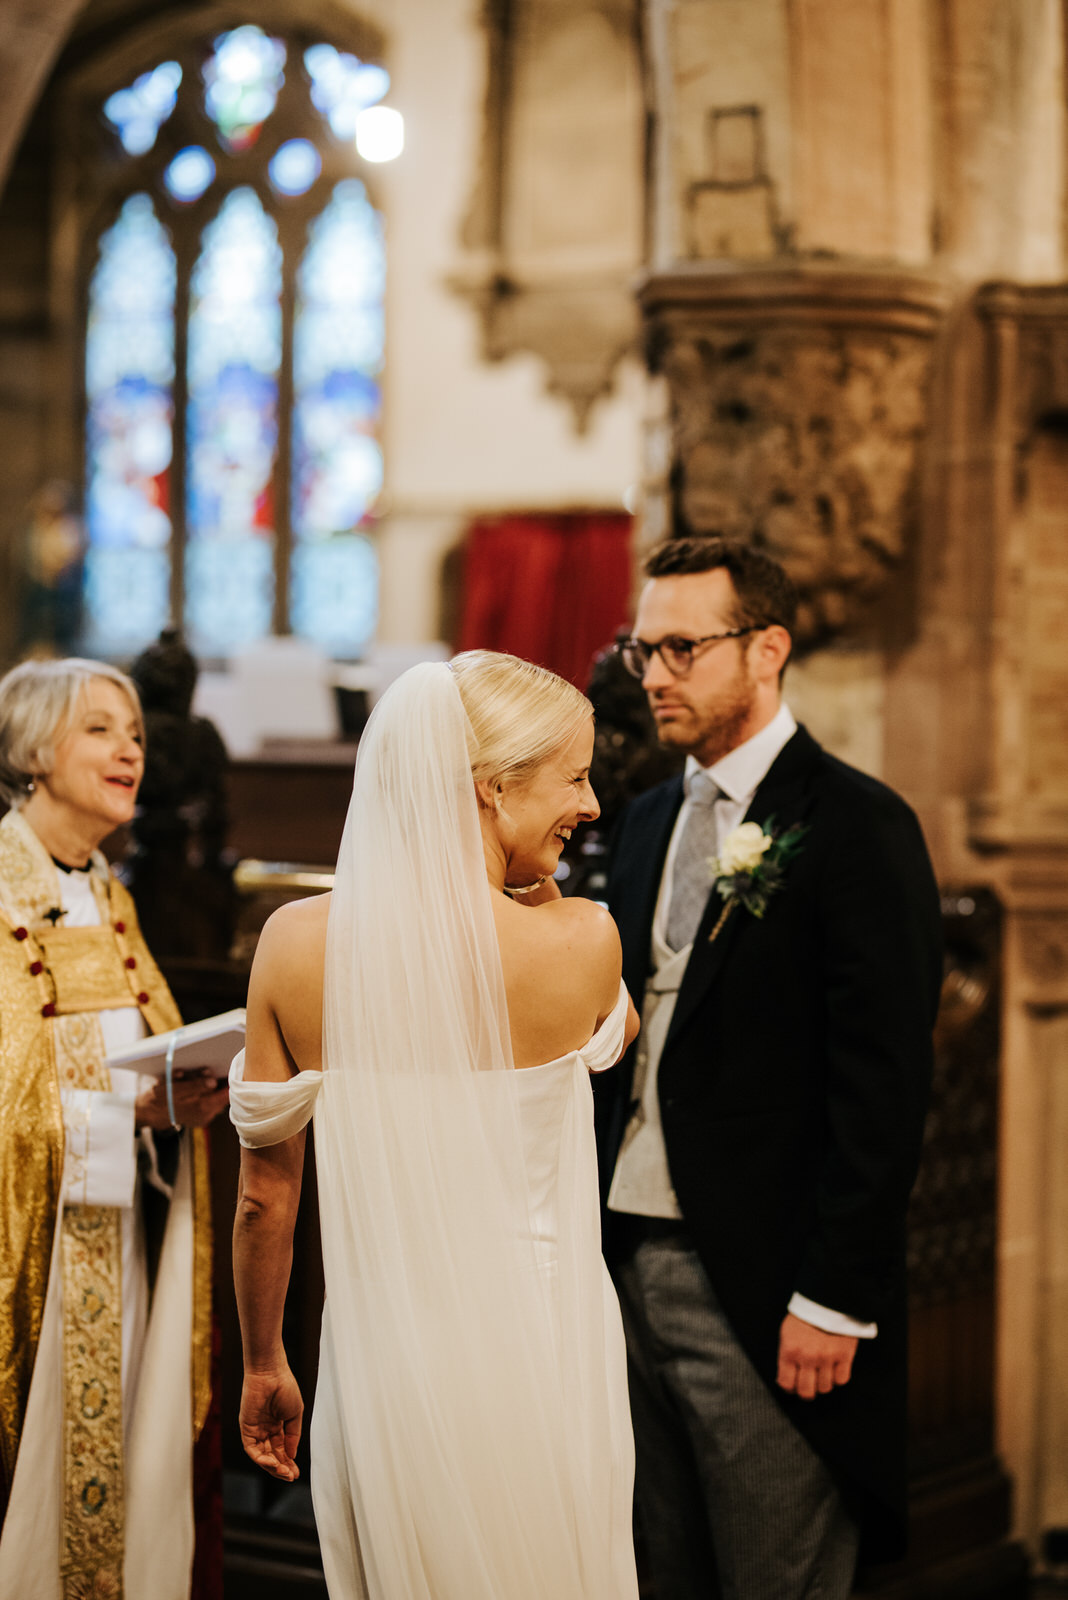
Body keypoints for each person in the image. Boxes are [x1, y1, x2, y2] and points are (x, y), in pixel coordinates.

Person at [229, 651, 641, 1600]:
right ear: (493, 789)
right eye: (573, 776)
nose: (589, 802)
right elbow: (616, 1033)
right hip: (547, 1351)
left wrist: (263, 1363)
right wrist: (536, 896)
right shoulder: (585, 939)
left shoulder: (295, 944)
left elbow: (265, 1198)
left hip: (386, 1361)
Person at [598, 537, 943, 1600]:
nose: (655, 674)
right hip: (627, 1258)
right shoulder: (649, 821)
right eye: (642, 649)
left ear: (768, 650)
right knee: (664, 1571)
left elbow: (882, 1086)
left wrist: (835, 1297)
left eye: (683, 648)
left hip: (762, 1282)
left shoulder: (857, 825)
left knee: (775, 1577)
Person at [0, 657, 229, 1600]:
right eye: (100, 728)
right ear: (32, 748)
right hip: (37, 1254)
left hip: (118, 1231)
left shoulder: (113, 895)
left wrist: (175, 1109)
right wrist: (113, 1112)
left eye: (133, 732)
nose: (130, 747)